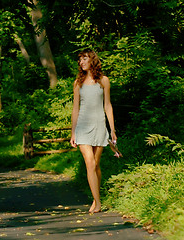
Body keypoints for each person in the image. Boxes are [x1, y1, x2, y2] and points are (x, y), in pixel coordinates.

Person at [70, 48, 117, 213]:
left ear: (92, 61)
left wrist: (112, 130)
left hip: (99, 125)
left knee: (96, 165)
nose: (81, 62)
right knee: (89, 163)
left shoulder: (104, 80)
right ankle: (97, 202)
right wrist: (73, 133)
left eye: (84, 59)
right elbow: (75, 109)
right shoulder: (78, 83)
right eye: (80, 60)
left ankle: (96, 199)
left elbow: (108, 105)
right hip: (82, 127)